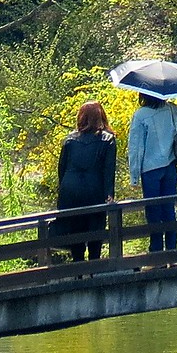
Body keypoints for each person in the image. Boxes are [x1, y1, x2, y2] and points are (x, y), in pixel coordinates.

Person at [54, 102, 118, 261]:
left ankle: (79, 269)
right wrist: (109, 194)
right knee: (96, 231)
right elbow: (108, 170)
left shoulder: (69, 140)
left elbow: (62, 168)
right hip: (94, 189)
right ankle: (94, 268)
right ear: (101, 117)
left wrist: (62, 190)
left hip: (70, 190)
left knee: (76, 234)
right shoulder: (107, 140)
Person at [126, 93, 177, 253]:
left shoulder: (140, 115)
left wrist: (134, 176)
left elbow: (136, 148)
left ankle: (156, 252)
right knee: (169, 209)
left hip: (150, 169)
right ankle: (172, 252)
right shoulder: (173, 109)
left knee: (153, 212)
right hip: (170, 165)